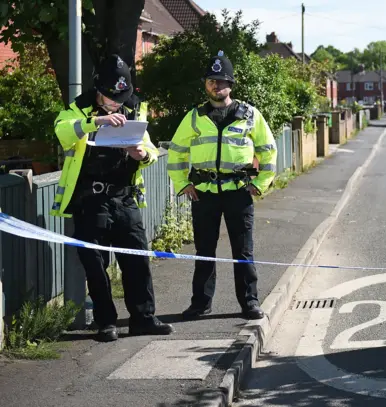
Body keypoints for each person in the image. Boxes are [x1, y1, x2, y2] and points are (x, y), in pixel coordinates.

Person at [51, 54, 174, 342]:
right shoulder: (78, 108)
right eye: (111, 97)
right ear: (98, 88)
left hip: (124, 198)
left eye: (121, 97)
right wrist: (97, 121)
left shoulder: (135, 109)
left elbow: (150, 149)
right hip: (90, 200)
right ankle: (106, 322)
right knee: (95, 263)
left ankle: (143, 318)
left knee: (137, 259)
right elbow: (63, 133)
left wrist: (143, 155)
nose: (117, 103)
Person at [167, 50, 277, 321]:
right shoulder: (194, 116)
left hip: (239, 193)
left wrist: (260, 183)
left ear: (231, 84)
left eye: (222, 81)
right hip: (204, 194)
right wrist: (183, 184)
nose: (217, 86)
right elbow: (176, 152)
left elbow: (268, 150)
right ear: (206, 85)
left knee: (243, 251)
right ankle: (200, 304)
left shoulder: (250, 114)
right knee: (204, 251)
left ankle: (249, 302)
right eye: (211, 81)